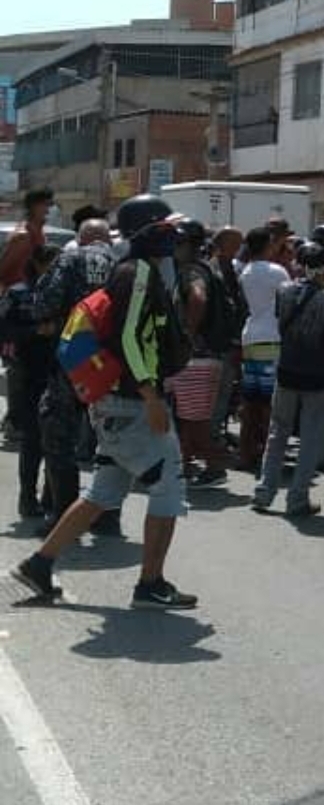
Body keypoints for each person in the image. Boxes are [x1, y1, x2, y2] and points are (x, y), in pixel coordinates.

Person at [11, 194, 198, 609]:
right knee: (169, 488)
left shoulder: (136, 270)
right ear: (150, 233)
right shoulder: (138, 274)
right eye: (167, 229)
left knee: (102, 492)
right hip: (132, 403)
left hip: (118, 403)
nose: (176, 236)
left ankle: (39, 565)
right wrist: (150, 394)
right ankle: (151, 584)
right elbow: (127, 337)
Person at [252, 243, 324, 517]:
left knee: (277, 433)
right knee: (311, 437)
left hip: (286, 369)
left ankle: (264, 492)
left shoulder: (284, 291)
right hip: (318, 375)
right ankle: (297, 499)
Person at [33, 218, 117, 532]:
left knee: (58, 436)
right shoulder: (125, 265)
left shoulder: (69, 259)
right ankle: (108, 516)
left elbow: (44, 303)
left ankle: (64, 515)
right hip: (114, 366)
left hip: (75, 362)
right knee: (112, 442)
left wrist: (51, 323)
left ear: (82, 238)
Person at [167, 220, 233, 486]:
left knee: (194, 422)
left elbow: (197, 298)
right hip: (205, 357)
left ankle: (217, 465)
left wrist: (187, 335)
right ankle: (183, 465)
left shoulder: (191, 271)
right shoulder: (204, 267)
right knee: (185, 419)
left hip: (195, 358)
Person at [0, 244, 61, 518]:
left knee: (59, 442)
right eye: (53, 264)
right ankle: (28, 498)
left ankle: (53, 497)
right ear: (38, 263)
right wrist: (36, 331)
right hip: (28, 375)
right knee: (32, 441)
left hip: (60, 375)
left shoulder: (64, 294)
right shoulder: (19, 293)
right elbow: (4, 330)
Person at [0, 188, 54, 447]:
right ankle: (13, 422)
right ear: (33, 206)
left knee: (30, 370)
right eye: (45, 205)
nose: (49, 209)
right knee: (17, 370)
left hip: (35, 309)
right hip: (18, 312)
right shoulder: (22, 237)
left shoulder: (38, 234)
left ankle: (22, 418)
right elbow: (3, 272)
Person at [237, 227, 291, 471]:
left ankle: (246, 452)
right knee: (270, 403)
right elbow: (289, 300)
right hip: (272, 337)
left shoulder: (246, 271)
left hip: (251, 336)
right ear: (268, 245)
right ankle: (270, 456)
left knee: (251, 401)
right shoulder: (277, 271)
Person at [209, 227, 247, 444]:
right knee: (216, 393)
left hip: (230, 341)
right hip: (217, 342)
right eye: (235, 242)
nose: (239, 247)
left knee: (224, 392)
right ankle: (211, 436)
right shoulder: (213, 269)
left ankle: (216, 431)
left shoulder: (231, 269)